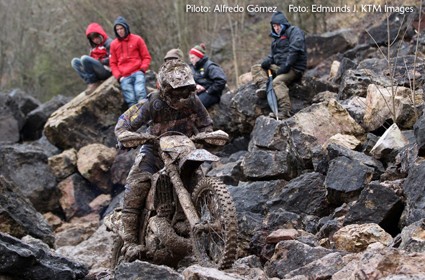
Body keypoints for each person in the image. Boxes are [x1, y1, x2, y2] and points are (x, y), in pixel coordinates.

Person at [114, 59, 213, 261]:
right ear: (166, 88)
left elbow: (206, 123)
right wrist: (125, 136)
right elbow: (125, 122)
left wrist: (205, 136)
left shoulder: (194, 101)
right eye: (178, 90)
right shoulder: (153, 102)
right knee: (137, 185)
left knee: (199, 179)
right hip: (155, 150)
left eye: (186, 89)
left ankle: (215, 223)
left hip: (183, 149)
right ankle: (131, 242)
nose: (183, 95)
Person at [251, 11, 307, 118]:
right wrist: (266, 61)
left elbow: (295, 49)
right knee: (257, 67)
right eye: (274, 26)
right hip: (281, 67)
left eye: (278, 25)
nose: (276, 28)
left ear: (283, 24)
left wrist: (286, 66)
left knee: (276, 82)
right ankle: (264, 86)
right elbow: (272, 56)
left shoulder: (294, 31)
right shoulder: (276, 39)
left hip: (294, 68)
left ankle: (285, 111)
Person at [110, 16, 152, 107]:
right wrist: (118, 76)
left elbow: (146, 56)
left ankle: (146, 114)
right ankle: (134, 119)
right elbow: (113, 63)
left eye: (121, 28)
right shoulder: (113, 44)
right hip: (124, 76)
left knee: (140, 92)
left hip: (138, 71)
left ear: (126, 28)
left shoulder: (137, 39)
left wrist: (142, 69)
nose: (120, 31)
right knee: (130, 99)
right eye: (117, 29)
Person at [71, 23, 112, 94]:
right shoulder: (93, 47)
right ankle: (90, 82)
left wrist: (101, 61)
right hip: (97, 69)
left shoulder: (109, 43)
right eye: (93, 39)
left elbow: (113, 58)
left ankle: (93, 82)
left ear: (100, 34)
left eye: (96, 37)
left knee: (84, 58)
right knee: (75, 62)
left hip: (107, 70)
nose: (95, 40)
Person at [188, 43, 227, 108]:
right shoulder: (193, 68)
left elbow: (221, 80)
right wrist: (196, 86)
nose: (191, 60)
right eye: (190, 58)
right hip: (199, 92)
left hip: (212, 93)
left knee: (194, 106)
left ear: (199, 56)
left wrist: (208, 89)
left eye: (192, 58)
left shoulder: (211, 66)